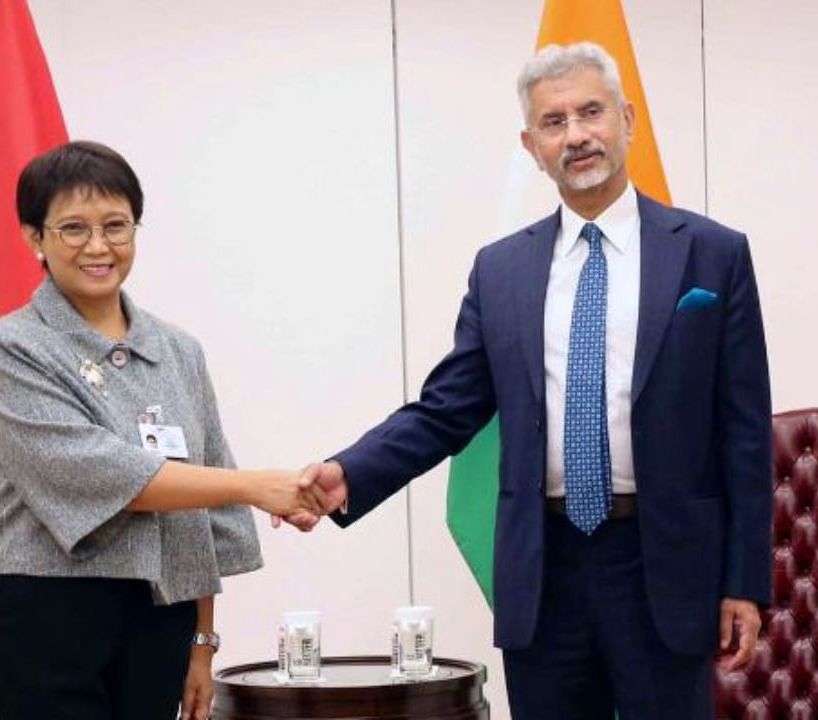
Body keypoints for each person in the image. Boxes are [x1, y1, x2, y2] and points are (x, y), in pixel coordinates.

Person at [285, 42, 772, 719]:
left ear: (627, 119)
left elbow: (744, 433)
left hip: (663, 564)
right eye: (554, 122)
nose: (576, 135)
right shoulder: (500, 271)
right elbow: (445, 410)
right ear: (531, 144)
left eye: (591, 112)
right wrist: (352, 472)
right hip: (544, 571)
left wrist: (745, 582)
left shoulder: (712, 255)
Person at [0, 140, 322, 720]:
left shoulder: (178, 350)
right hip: (47, 610)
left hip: (162, 614)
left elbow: (201, 510)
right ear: (34, 237)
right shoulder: (11, 348)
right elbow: (97, 473)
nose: (98, 246)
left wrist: (201, 645)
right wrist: (256, 486)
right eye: (73, 229)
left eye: (116, 225)